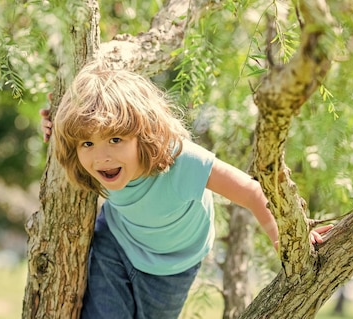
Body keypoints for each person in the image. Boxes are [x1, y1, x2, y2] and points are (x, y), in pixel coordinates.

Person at [39, 61, 332, 319]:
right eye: (88, 144)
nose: (101, 156)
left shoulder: (181, 161)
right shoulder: (90, 163)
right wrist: (56, 124)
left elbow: (253, 193)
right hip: (115, 244)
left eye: (115, 139)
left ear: (144, 132)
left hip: (171, 267)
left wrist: (287, 239)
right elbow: (73, 135)